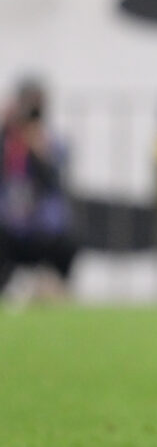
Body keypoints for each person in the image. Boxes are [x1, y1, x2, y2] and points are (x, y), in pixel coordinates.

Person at [0, 80, 76, 299]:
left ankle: (53, 287)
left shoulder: (51, 142)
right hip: (10, 227)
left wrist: (40, 151)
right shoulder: (7, 142)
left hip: (43, 229)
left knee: (69, 241)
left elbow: (55, 179)